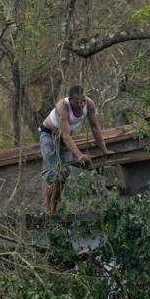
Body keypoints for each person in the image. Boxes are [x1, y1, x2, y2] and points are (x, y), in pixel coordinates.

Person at [39, 85, 108, 214]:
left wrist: (105, 151)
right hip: (49, 134)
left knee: (64, 173)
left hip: (66, 137)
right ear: (70, 100)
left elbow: (95, 129)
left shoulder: (89, 105)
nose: (82, 104)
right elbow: (65, 137)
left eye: (83, 100)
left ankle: (54, 210)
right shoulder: (62, 107)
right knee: (51, 172)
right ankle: (46, 210)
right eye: (77, 102)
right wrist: (79, 155)